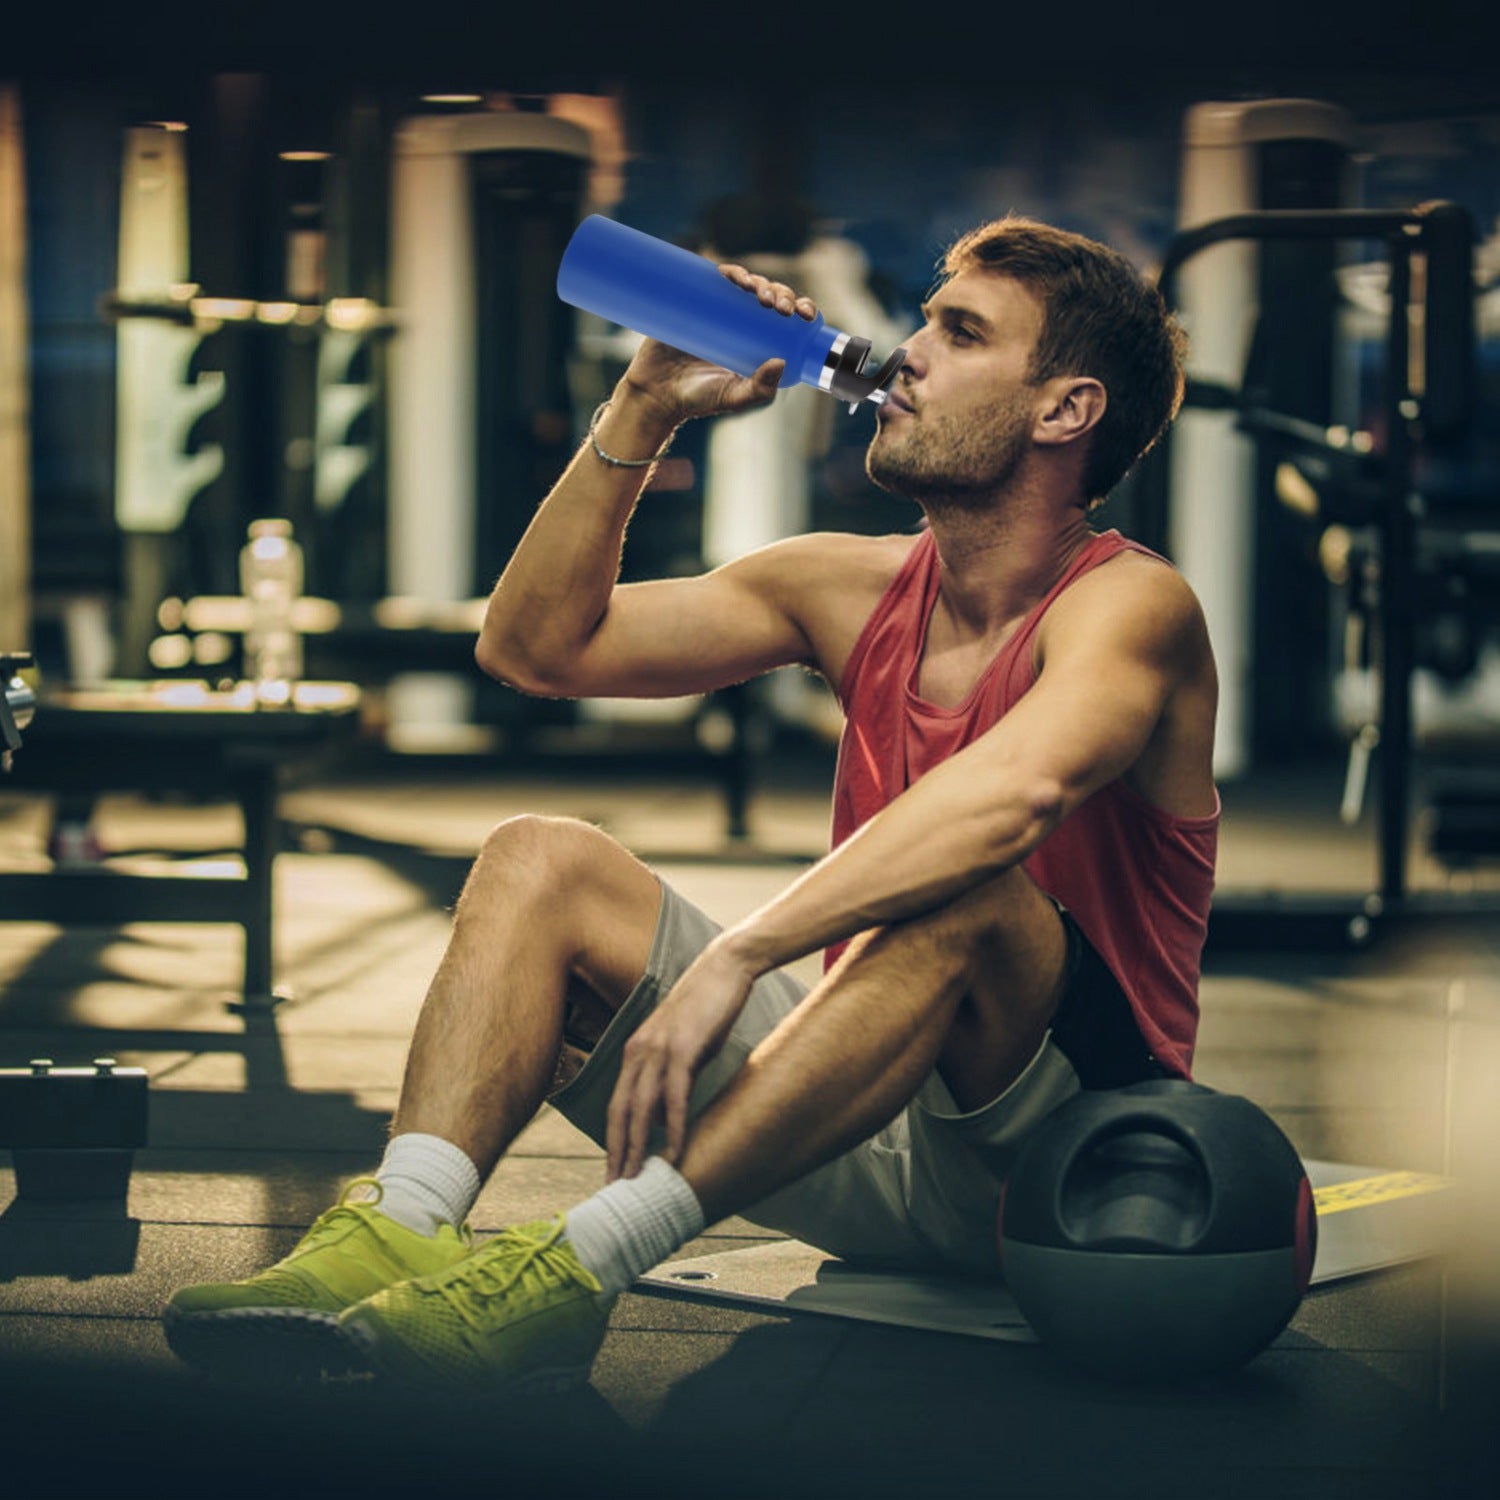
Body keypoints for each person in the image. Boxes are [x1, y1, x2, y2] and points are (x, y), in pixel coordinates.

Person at [164, 214, 1219, 1397]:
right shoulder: (845, 585)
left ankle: (580, 1266)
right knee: (539, 860)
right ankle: (404, 1221)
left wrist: (748, 953)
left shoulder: (1134, 608)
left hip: (1077, 1163)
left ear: (1065, 410)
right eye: (924, 319)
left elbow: (1018, 793)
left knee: (963, 887)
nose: (907, 351)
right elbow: (532, 647)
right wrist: (643, 407)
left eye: (960, 332)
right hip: (843, 1110)